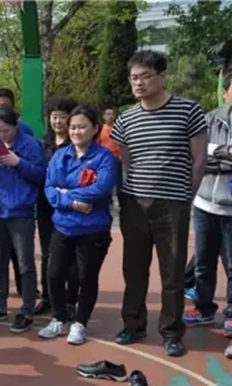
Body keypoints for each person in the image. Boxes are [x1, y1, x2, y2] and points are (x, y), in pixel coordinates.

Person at [112, 50, 208, 357]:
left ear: (162, 76)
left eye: (145, 76)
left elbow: (199, 159)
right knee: (134, 270)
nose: (138, 83)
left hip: (173, 204)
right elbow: (127, 161)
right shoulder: (126, 119)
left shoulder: (188, 111)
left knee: (173, 272)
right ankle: (133, 325)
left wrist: (186, 195)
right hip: (134, 204)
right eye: (133, 78)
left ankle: (171, 332)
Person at [39, 105, 116, 344]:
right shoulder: (60, 156)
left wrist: (66, 193)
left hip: (93, 230)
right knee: (54, 275)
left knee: (86, 278)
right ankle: (58, 318)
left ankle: (80, 323)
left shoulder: (104, 158)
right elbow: (50, 189)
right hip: (63, 227)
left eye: (82, 127)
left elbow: (101, 188)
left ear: (95, 128)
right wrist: (73, 202)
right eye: (72, 127)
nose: (76, 131)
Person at [0, 105, 47, 333]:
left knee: (25, 263)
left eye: (5, 130)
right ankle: (0, 305)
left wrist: (18, 163)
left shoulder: (30, 145)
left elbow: (41, 175)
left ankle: (27, 310)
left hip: (20, 211)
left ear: (16, 126)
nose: (2, 135)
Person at [184, 75, 232, 335]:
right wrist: (223, 155)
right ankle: (203, 308)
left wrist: (213, 154)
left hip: (230, 208)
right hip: (204, 204)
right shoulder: (208, 119)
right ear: (225, 93)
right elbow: (196, 156)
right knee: (203, 261)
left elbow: (208, 157)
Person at [37, 97, 80, 317]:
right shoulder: (43, 143)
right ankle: (48, 298)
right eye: (54, 116)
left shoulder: (77, 144)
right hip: (46, 205)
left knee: (70, 256)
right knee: (47, 254)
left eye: (62, 117)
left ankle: (71, 300)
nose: (57, 121)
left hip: (69, 207)